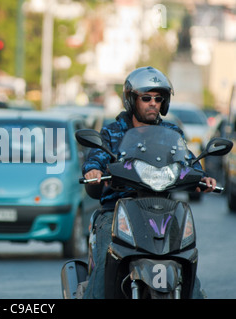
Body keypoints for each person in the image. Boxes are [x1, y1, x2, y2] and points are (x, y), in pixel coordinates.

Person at [82, 66, 216, 299]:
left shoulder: (171, 131)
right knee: (105, 260)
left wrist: (201, 177)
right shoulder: (113, 132)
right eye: (146, 98)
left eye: (158, 98)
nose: (153, 103)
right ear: (132, 100)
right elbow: (97, 156)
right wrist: (93, 170)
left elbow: (187, 160)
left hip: (163, 209)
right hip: (116, 210)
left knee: (188, 259)